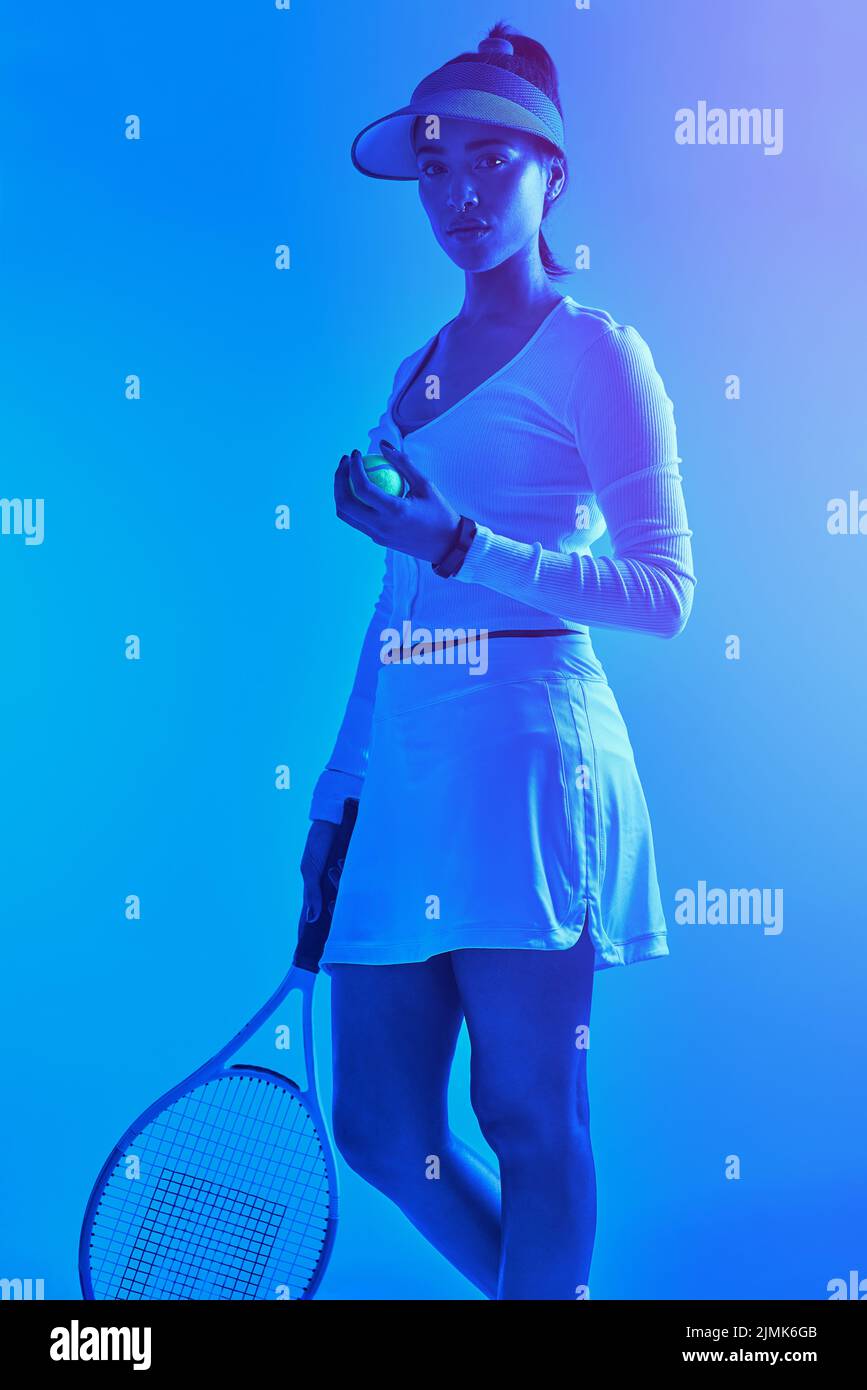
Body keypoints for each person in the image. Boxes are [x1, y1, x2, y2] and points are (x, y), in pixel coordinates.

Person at [300, 22, 696, 1301]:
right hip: (408, 767)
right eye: (436, 168)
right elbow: (393, 599)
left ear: (551, 176)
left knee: (529, 1114)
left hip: (529, 748)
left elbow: (664, 595)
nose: (460, 193)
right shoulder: (409, 373)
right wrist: (335, 794)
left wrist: (464, 541)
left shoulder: (598, 352)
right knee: (378, 1127)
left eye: (490, 162)